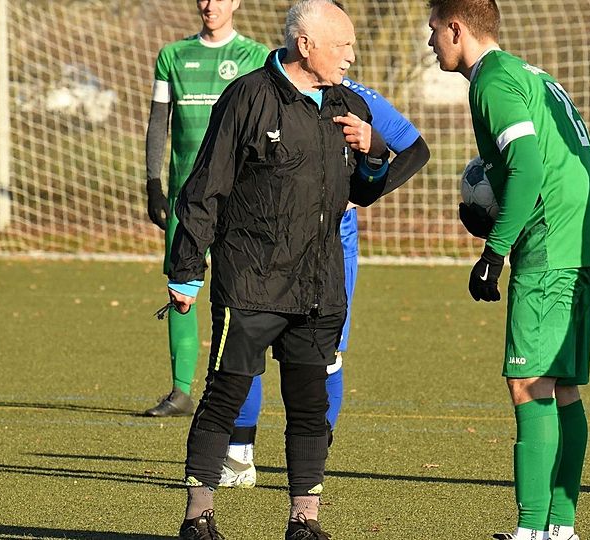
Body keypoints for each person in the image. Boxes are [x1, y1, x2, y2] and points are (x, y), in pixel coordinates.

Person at [166, 1, 426, 538]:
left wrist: (374, 151)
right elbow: (204, 188)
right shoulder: (248, 97)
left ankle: (303, 523)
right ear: (304, 45)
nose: (351, 57)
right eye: (343, 46)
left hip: (319, 287)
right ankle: (198, 518)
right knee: (225, 396)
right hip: (252, 281)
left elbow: (365, 191)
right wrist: (186, 270)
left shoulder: (345, 104)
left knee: (309, 408)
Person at [427, 1, 590, 539]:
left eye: (433, 31)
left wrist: (495, 251)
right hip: (588, 238)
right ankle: (560, 528)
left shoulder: (491, 80)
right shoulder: (528, 73)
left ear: (456, 28)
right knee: (561, 388)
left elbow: (529, 164)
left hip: (553, 245)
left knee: (528, 382)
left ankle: (534, 530)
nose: (430, 42)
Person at [218, 76, 429, 488]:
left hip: (331, 249)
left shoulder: (355, 97)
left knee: (323, 355)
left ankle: (315, 456)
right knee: (247, 347)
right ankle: (238, 456)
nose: (346, 54)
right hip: (265, 248)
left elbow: (415, 149)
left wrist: (358, 193)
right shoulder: (263, 90)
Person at [144, 0, 270, 417]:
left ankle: (237, 389)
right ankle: (180, 391)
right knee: (182, 287)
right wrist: (152, 184)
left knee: (243, 291)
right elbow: (158, 124)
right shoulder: (173, 56)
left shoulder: (256, 57)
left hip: (240, 199)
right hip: (186, 196)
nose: (210, 4)